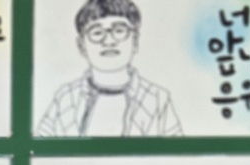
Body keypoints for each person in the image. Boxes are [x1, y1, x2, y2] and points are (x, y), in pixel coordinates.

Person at [36, 0, 182, 138]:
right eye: (97, 33)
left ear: (135, 40)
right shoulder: (65, 97)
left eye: (119, 30)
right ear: (81, 45)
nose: (109, 41)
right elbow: (40, 147)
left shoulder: (157, 99)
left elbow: (179, 152)